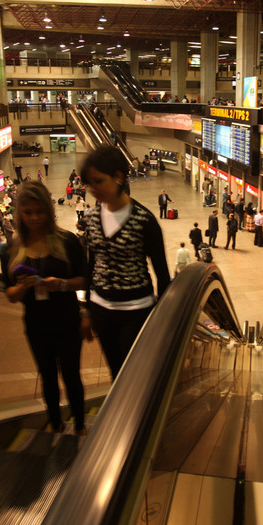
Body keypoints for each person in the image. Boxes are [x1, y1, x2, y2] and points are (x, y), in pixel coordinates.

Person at [5, 181, 89, 434]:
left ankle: (81, 425)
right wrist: (22, 288)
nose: (34, 218)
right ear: (20, 213)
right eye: (28, 212)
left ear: (49, 212)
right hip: (36, 325)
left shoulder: (67, 241)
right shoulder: (14, 247)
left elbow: (85, 279)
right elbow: (9, 293)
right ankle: (55, 423)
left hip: (67, 322)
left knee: (72, 376)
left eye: (39, 211)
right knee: (48, 378)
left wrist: (61, 284)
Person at [81, 145, 170, 380]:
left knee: (133, 375)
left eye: (98, 181)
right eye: (90, 183)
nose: (93, 189)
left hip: (136, 311)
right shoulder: (91, 217)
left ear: (118, 177)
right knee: (115, 372)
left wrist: (162, 320)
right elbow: (92, 264)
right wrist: (87, 309)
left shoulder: (144, 220)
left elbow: (162, 273)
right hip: (101, 310)